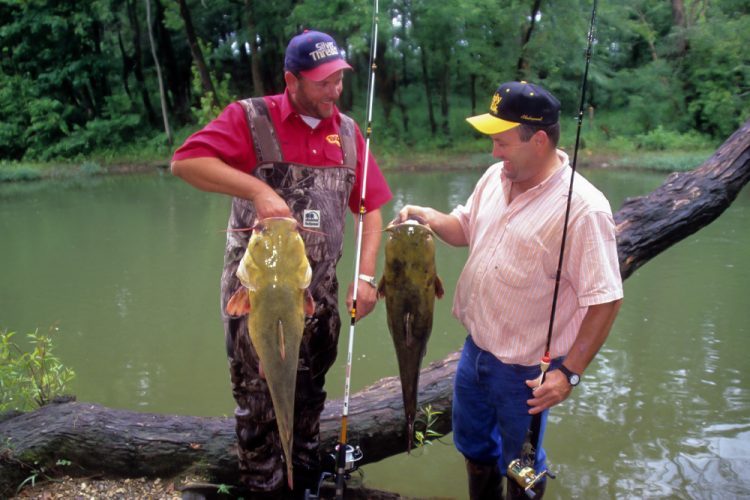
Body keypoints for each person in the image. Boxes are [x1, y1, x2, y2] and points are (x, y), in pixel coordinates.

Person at [171, 30, 391, 497]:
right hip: (253, 297)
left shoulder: (349, 132)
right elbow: (186, 163)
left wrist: (366, 276)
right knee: (257, 402)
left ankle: (303, 479)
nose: (334, 91)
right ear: (291, 80)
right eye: (322, 82)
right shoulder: (251, 118)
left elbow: (371, 207)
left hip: (320, 297)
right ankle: (263, 486)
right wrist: (258, 189)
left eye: (339, 80)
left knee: (310, 396)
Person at [397, 81, 623, 499]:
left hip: (526, 371)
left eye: (501, 142)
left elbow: (606, 300)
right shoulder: (494, 177)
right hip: (474, 352)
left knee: (521, 467)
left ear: (538, 140)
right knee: (476, 450)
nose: (493, 152)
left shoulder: (584, 209)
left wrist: (569, 372)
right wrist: (429, 217)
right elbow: (465, 227)